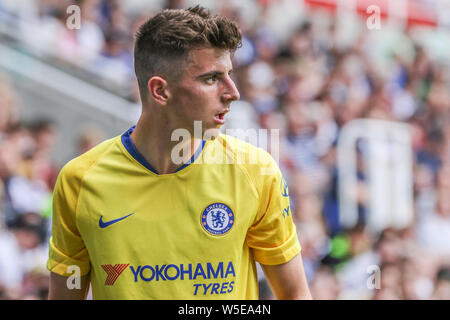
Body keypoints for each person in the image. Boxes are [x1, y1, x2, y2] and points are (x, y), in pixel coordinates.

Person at [47, 5, 311, 300]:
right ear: (160, 91)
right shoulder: (79, 181)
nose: (233, 92)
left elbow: (295, 294)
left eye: (229, 74)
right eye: (211, 78)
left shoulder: (256, 173)